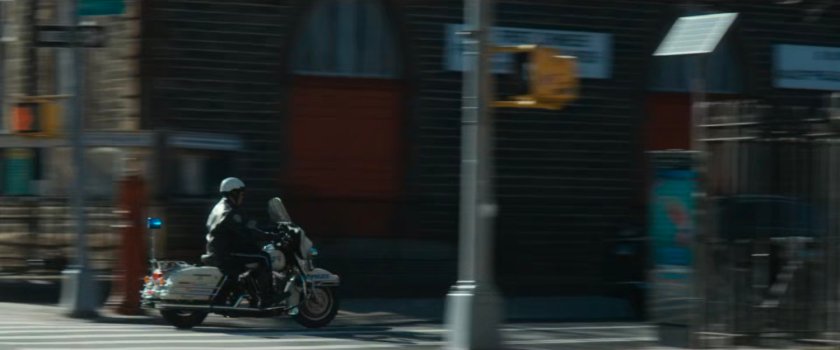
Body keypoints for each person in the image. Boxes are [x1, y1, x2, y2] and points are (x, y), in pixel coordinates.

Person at [203, 177, 276, 308]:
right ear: (234, 193)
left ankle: (252, 293)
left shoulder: (219, 207)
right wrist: (268, 236)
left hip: (218, 250)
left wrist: (263, 231)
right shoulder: (230, 212)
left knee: (254, 256)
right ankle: (267, 298)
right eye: (241, 194)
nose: (242, 198)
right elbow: (245, 231)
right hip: (226, 253)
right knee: (264, 257)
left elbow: (244, 227)